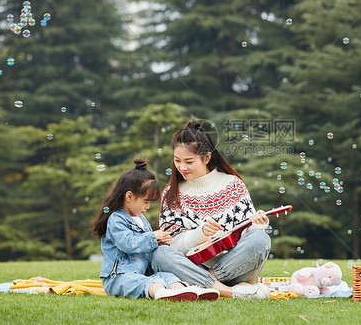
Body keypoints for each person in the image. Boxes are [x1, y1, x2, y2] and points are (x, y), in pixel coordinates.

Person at [151, 118, 272, 299]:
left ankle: (206, 284)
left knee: (261, 238)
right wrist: (200, 233)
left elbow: (248, 236)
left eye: (189, 162)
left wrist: (257, 224)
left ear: (207, 157)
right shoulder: (172, 193)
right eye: (177, 160)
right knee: (160, 253)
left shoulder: (233, 185)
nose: (182, 167)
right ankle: (232, 292)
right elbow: (170, 242)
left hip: (233, 269)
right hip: (193, 266)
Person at [91, 158, 219, 301]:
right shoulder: (116, 219)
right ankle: (161, 293)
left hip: (141, 274)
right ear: (129, 196)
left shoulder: (141, 220)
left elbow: (145, 247)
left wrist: (160, 243)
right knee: (150, 282)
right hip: (119, 277)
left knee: (167, 277)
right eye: (145, 201)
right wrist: (153, 237)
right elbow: (128, 244)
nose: (148, 207)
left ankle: (185, 291)